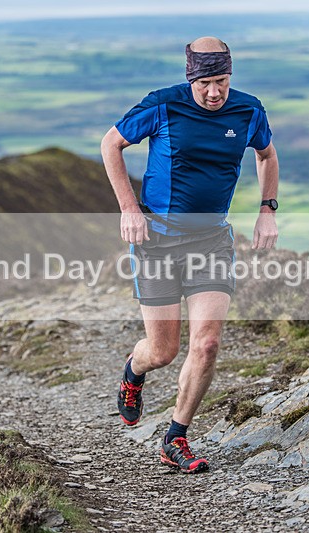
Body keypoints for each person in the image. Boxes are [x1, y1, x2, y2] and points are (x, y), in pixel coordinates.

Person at [101, 36, 279, 473]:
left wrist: (266, 209)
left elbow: (267, 154)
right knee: (162, 351)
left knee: (208, 343)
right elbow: (111, 144)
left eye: (221, 81)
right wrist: (129, 209)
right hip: (157, 243)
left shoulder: (249, 110)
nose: (214, 92)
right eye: (205, 83)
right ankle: (133, 372)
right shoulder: (162, 105)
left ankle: (175, 437)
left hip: (211, 241)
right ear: (190, 78)